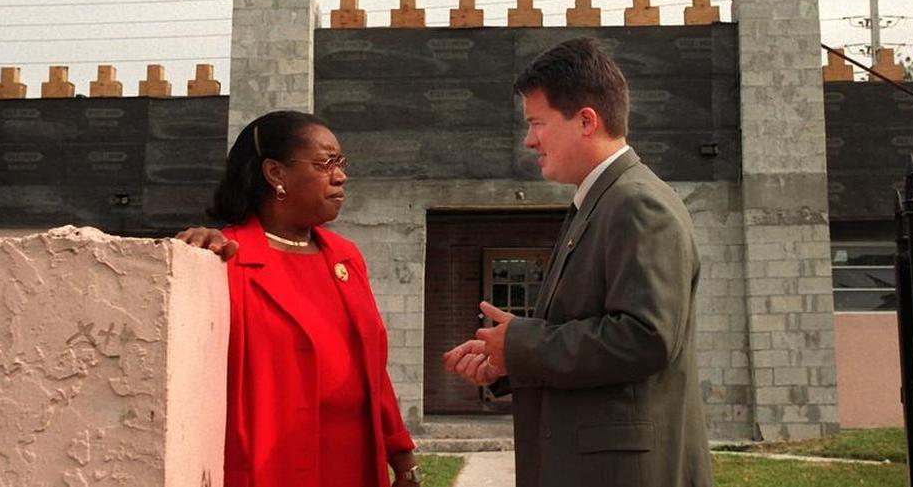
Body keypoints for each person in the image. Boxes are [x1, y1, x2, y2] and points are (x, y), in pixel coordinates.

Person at [443, 37, 713, 487]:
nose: (529, 140)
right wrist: (508, 359)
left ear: (587, 120)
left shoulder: (637, 204)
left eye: (537, 123)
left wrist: (522, 345)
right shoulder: (598, 203)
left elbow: (645, 337)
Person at [176, 110, 420, 487]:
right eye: (325, 163)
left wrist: (402, 458)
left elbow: (373, 372)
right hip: (270, 469)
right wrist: (187, 253)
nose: (340, 176)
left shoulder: (345, 258)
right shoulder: (224, 258)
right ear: (275, 173)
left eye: (341, 163)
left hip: (353, 466)